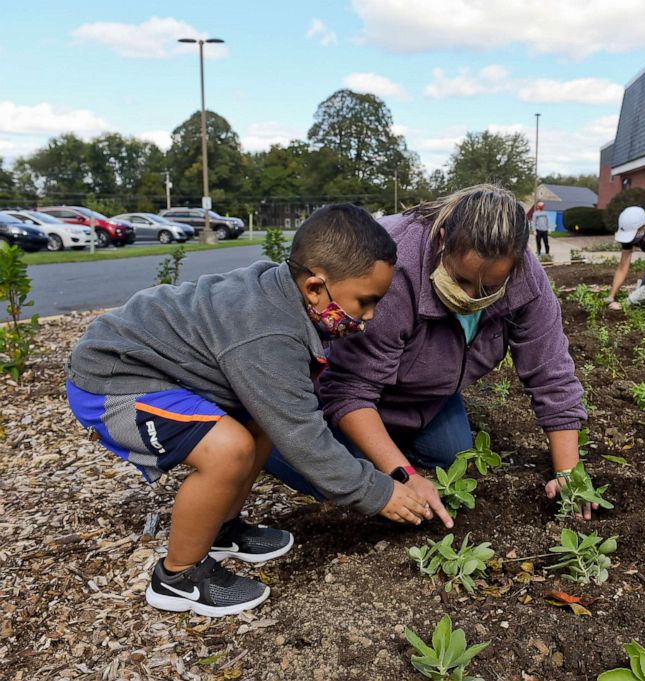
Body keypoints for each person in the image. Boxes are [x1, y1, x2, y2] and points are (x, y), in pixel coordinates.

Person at [65, 204, 429, 617]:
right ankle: (178, 576)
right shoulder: (270, 331)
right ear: (314, 288)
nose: (369, 317)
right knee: (229, 449)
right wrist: (377, 491)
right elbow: (304, 436)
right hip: (113, 381)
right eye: (365, 302)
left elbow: (284, 416)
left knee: (259, 425)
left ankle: (221, 529)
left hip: (158, 370)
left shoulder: (283, 296)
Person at [264, 184, 594, 526]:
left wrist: (569, 473)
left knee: (450, 456)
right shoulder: (391, 269)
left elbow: (551, 372)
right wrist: (404, 475)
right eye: (463, 280)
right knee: (344, 482)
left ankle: (383, 442)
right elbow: (350, 389)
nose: (471, 297)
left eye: (488, 288)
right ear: (442, 238)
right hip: (356, 389)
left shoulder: (526, 280)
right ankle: (268, 441)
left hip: (427, 396)